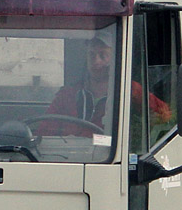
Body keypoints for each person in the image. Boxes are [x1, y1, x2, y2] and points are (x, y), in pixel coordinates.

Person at [37, 36, 171, 136]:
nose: (96, 61)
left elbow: (165, 115)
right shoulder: (68, 94)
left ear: (114, 59)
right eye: (92, 55)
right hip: (71, 159)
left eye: (103, 55)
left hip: (111, 160)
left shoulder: (128, 90)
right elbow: (43, 132)